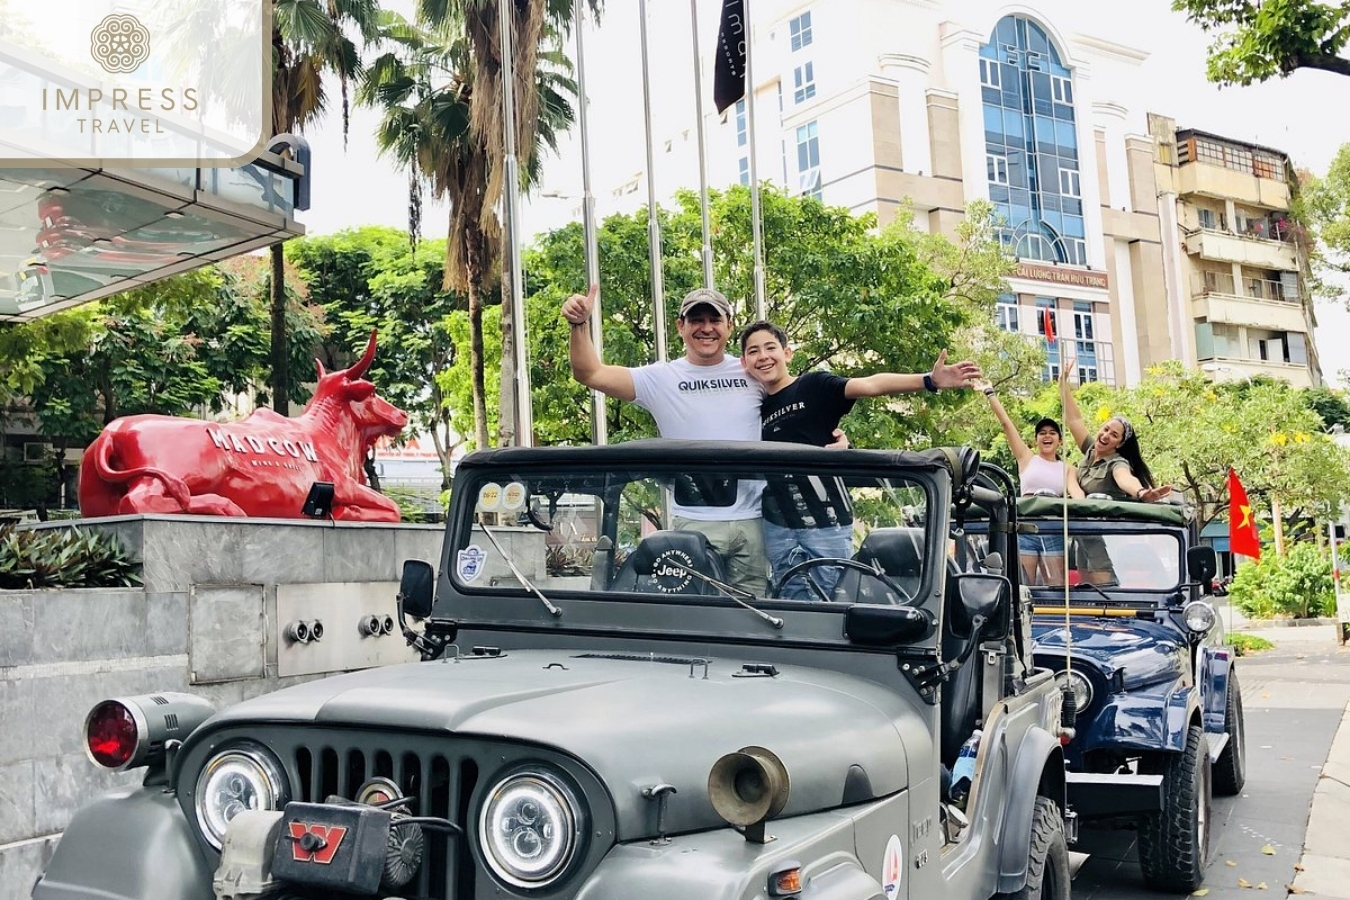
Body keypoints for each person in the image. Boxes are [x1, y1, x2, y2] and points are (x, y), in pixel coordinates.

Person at [738, 320, 981, 599]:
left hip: (826, 520)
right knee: (790, 595)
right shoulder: (757, 405)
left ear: (787, 353)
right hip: (778, 523)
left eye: (770, 348)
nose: (763, 356)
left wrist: (929, 380)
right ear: (745, 362)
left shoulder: (814, 385)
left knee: (827, 599)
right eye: (754, 351)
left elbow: (870, 384)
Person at [562, 283, 770, 593]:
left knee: (758, 616)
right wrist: (579, 324)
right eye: (696, 320)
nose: (706, 328)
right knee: (695, 612)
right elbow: (589, 373)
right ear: (680, 327)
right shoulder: (661, 378)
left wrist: (833, 437)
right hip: (693, 520)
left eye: (715, 320)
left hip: (754, 520)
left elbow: (799, 405)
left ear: (729, 325)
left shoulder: (756, 372)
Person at [1059, 350, 1171, 584]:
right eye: (1105, 429)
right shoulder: (1090, 449)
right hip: (1082, 530)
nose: (1106, 435)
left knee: (1103, 579)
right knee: (1085, 578)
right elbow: (1074, 420)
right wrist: (1063, 384)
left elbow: (1125, 479)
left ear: (1119, 443)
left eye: (1114, 435)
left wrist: (1141, 492)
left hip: (1102, 532)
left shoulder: (1117, 462)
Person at [980, 383, 1084, 585]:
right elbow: (1006, 424)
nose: (1047, 436)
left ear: (1060, 441)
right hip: (1025, 526)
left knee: (1056, 586)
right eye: (1042, 433)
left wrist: (1087, 509)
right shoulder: (1027, 458)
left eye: (1052, 432)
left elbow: (1077, 493)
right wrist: (989, 393)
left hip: (1053, 529)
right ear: (1035, 439)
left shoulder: (1068, 468)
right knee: (1023, 585)